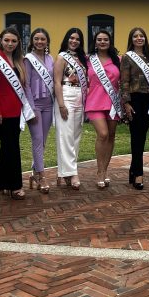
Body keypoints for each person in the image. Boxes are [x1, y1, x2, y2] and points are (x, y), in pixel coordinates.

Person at [0, 26, 34, 200]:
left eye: (14, 41)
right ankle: (15, 185)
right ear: (1, 40)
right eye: (7, 40)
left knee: (8, 147)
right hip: (3, 111)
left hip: (17, 110)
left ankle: (4, 184)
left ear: (18, 43)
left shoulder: (19, 60)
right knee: (12, 147)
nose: (10, 43)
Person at [121, 26, 149, 190]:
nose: (139, 38)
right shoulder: (127, 58)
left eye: (141, 36)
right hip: (134, 99)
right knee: (136, 137)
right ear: (131, 39)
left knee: (142, 136)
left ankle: (133, 170)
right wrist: (126, 103)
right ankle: (139, 173)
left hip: (148, 99)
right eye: (135, 36)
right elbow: (124, 82)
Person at [86, 29, 121, 189]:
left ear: (110, 42)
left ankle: (105, 170)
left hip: (113, 103)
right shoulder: (88, 60)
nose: (102, 42)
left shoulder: (118, 60)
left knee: (111, 136)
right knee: (103, 134)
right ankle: (99, 171)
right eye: (99, 39)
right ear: (95, 42)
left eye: (105, 39)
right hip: (94, 102)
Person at [54, 28, 87, 190]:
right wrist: (61, 104)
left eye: (77, 39)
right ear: (67, 39)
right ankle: (73, 173)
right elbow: (57, 82)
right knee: (65, 135)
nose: (74, 41)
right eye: (72, 38)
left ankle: (64, 172)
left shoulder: (82, 58)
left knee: (75, 136)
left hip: (80, 95)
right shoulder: (61, 57)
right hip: (66, 95)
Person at [24, 28, 54, 194]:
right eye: (36, 39)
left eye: (43, 39)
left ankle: (35, 173)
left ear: (47, 41)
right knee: (37, 139)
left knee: (43, 141)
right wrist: (31, 107)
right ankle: (41, 175)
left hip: (49, 104)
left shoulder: (51, 58)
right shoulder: (28, 59)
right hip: (35, 104)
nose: (40, 42)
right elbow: (26, 84)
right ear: (32, 41)